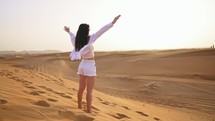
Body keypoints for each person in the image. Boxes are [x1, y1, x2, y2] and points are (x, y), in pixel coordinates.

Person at [64, 15, 121, 113]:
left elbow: (72, 35)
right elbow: (101, 31)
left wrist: (68, 31)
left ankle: (79, 107)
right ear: (87, 31)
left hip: (81, 66)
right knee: (89, 91)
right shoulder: (90, 39)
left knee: (81, 89)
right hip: (90, 66)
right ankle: (89, 111)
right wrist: (112, 22)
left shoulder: (75, 41)